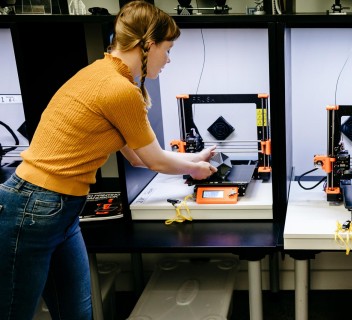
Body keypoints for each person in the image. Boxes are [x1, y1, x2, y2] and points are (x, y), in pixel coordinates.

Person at [0, 1, 217, 319]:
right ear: (148, 44)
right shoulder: (119, 89)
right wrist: (196, 169)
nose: (168, 59)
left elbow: (139, 157)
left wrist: (196, 156)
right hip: (34, 208)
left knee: (76, 311)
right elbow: (154, 160)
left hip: (60, 209)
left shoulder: (102, 74)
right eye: (167, 49)